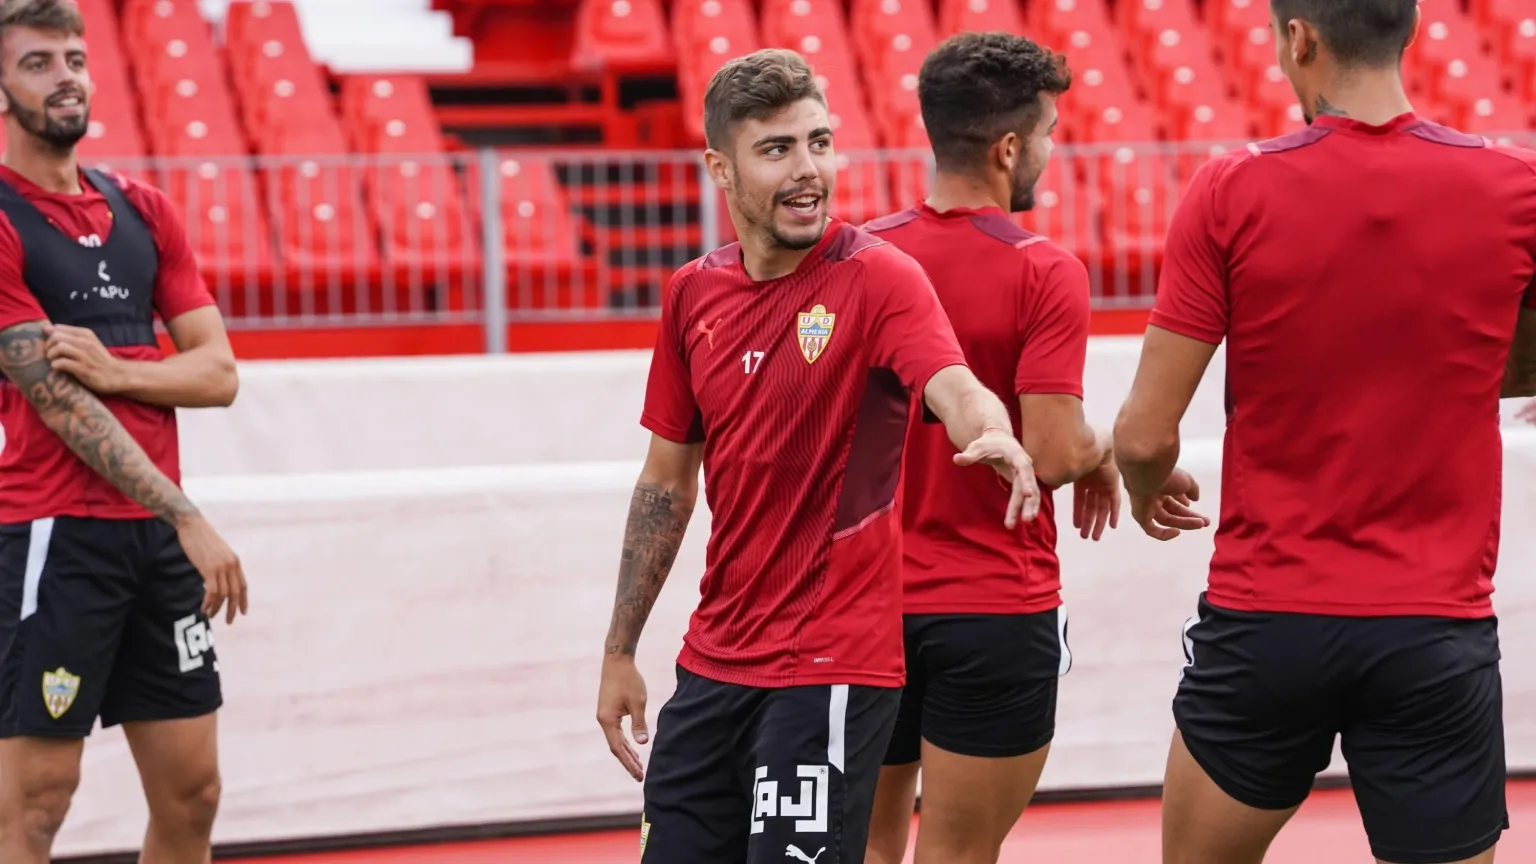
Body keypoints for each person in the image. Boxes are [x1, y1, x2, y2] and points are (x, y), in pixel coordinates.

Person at [593, 46, 1042, 864]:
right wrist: (620, 651)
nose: (809, 170)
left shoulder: (879, 278)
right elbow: (666, 483)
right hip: (713, 665)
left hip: (831, 668)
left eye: (820, 142)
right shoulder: (692, 294)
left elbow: (950, 381)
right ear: (720, 169)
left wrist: (992, 426)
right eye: (777, 149)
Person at [1112, 1, 1536, 862]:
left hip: (1268, 619)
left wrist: (1150, 485)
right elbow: (1514, 366)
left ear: (1298, 37)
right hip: (1433, 627)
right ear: (1409, 32)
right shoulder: (1516, 187)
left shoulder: (1231, 187)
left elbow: (1145, 435)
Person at [858, 32, 1122, 864]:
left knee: (863, 851)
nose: (1049, 153)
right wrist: (1104, 452)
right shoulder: (1043, 270)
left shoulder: (859, 259)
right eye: (1047, 135)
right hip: (992, 609)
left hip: (865, 607)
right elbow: (1053, 452)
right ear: (1009, 148)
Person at [0, 1, 249, 861]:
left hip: (156, 543)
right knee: (35, 806)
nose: (65, 76)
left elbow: (219, 374)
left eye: (74, 59)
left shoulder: (141, 208)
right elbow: (56, 403)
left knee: (193, 795)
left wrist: (113, 370)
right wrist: (186, 514)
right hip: (54, 536)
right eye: (37, 63)